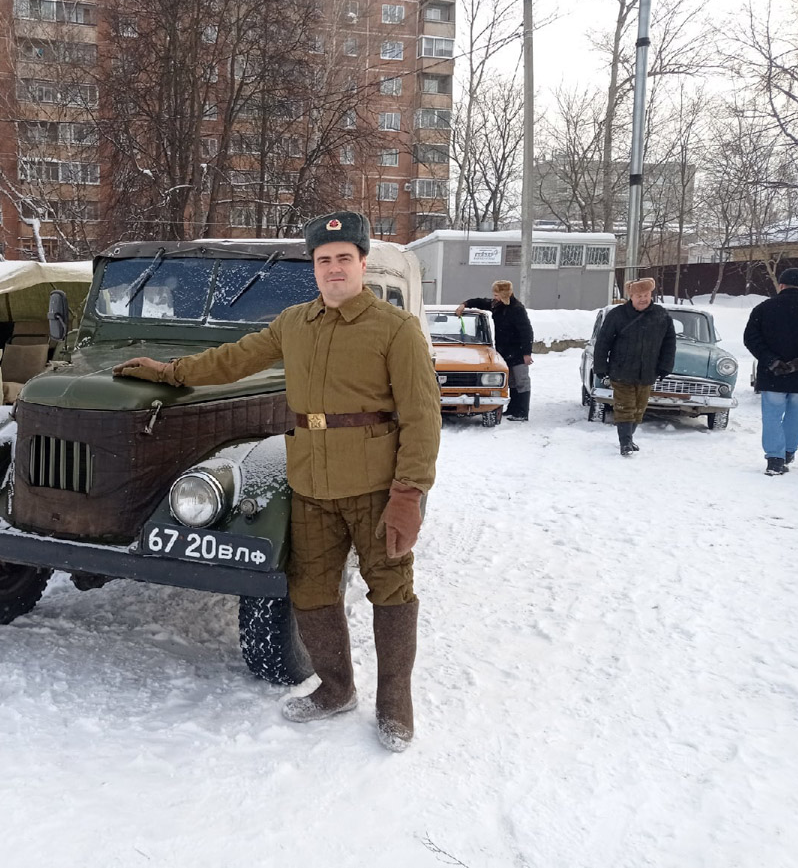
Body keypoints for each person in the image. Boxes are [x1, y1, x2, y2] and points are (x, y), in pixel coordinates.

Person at [113, 211, 441, 753]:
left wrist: (409, 494)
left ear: (362, 263)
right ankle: (336, 689)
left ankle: (395, 703)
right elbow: (232, 360)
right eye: (323, 260)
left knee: (391, 590)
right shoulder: (294, 323)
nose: (333, 269)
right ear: (313, 267)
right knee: (310, 591)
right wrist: (169, 373)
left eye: (343, 259)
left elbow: (422, 417)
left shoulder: (395, 329)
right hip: (310, 485)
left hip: (375, 487)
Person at [591, 277, 676, 456]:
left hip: (647, 371)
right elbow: (603, 342)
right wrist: (600, 366)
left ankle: (629, 437)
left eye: (646, 295)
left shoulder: (661, 315)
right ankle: (625, 442)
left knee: (639, 409)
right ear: (631, 296)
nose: (643, 299)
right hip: (621, 370)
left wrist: (665, 366)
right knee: (625, 407)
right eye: (639, 295)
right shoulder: (617, 315)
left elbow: (669, 343)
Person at [743, 267, 798, 476]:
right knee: (796, 415)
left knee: (772, 415)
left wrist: (771, 360)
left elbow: (751, 338)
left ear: (781, 285)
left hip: (773, 375)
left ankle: (775, 459)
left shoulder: (764, 308)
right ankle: (788, 452)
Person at [455, 280, 534, 421]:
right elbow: (480, 302)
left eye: (497, 294)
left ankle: (522, 412)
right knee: (512, 382)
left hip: (518, 351)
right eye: (494, 294)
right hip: (504, 351)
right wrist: (465, 304)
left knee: (522, 381)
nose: (494, 297)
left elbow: (527, 332)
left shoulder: (517, 309)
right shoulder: (496, 305)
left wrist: (527, 354)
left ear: (505, 294)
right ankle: (513, 409)